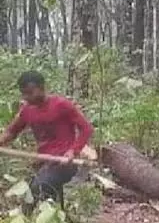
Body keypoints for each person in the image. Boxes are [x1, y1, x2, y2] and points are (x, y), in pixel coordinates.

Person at [0, 71, 94, 212]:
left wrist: (72, 151)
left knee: (38, 189)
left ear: (42, 87)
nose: (27, 97)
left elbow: (86, 129)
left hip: (64, 162)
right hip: (43, 161)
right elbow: (11, 132)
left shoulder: (61, 105)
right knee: (31, 195)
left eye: (31, 92)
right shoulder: (27, 110)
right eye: (24, 94)